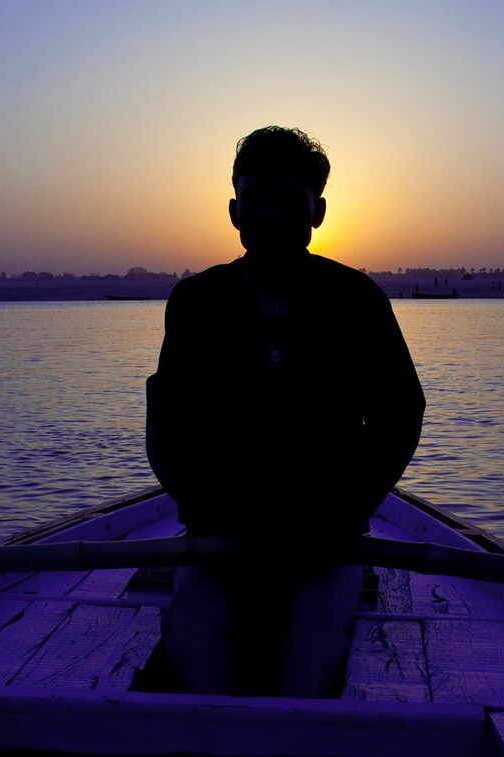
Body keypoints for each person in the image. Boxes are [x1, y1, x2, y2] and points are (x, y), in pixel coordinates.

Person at [146, 126, 425, 697]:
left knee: (317, 643)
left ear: (317, 211)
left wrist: (343, 513)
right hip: (221, 536)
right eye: (257, 201)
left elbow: (401, 414)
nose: (271, 215)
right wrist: (207, 512)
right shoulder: (197, 304)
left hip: (326, 539)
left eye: (289, 201)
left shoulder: (357, 300)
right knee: (193, 633)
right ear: (234, 211)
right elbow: (169, 428)